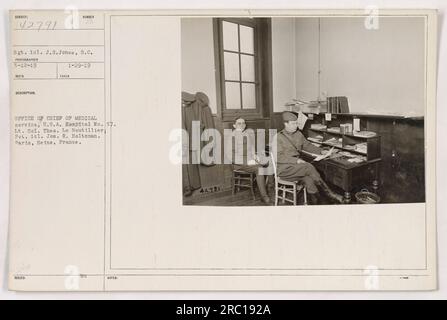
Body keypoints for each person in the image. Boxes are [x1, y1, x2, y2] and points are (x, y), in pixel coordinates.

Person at [275, 111, 343, 204]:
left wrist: (321, 151)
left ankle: (316, 203)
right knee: (308, 167)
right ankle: (330, 194)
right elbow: (278, 157)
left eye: (296, 123)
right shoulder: (278, 137)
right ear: (285, 124)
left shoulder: (298, 134)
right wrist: (296, 160)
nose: (296, 126)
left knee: (309, 179)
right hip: (285, 169)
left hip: (297, 168)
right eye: (293, 123)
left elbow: (307, 145)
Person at [229, 117, 271, 204]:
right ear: (234, 125)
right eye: (239, 123)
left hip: (249, 159)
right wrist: (248, 162)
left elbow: (251, 147)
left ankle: (270, 186)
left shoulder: (246, 134)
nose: (242, 125)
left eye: (243, 123)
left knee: (268, 161)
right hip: (238, 163)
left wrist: (255, 155)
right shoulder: (231, 137)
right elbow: (231, 157)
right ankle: (264, 196)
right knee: (259, 168)